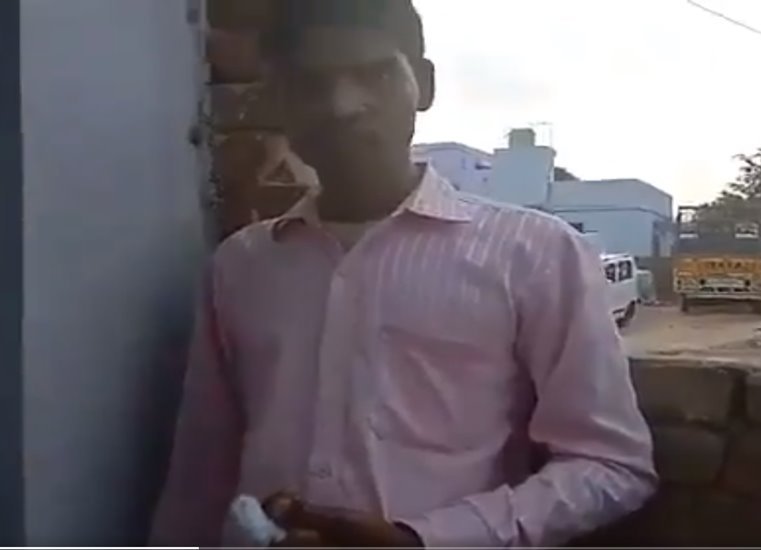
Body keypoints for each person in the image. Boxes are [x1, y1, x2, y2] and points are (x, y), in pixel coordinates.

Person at [150, 0, 656, 546]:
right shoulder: (242, 265)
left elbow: (610, 465)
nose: (342, 105)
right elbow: (201, 473)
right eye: (309, 84)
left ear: (424, 84)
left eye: (376, 75)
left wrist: (425, 540)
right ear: (276, 101)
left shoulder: (534, 254)